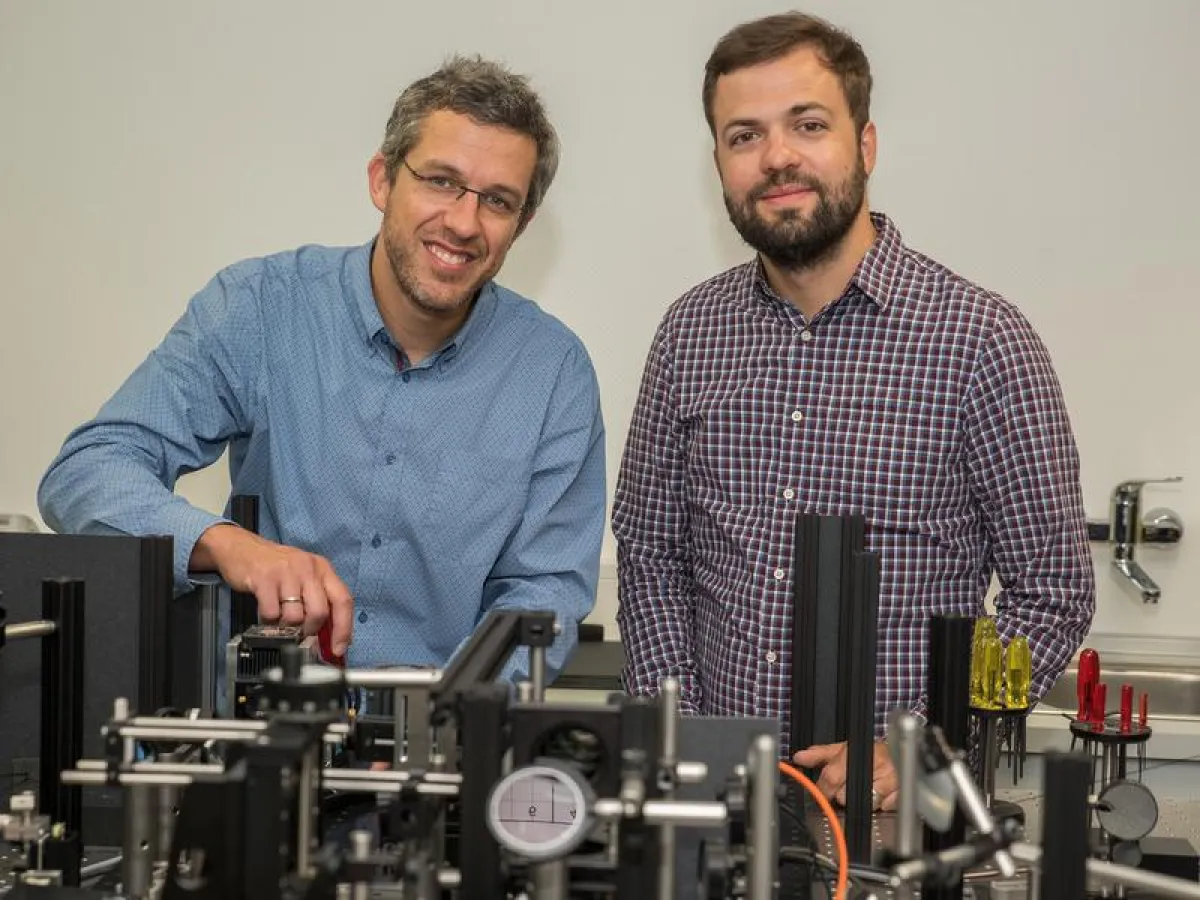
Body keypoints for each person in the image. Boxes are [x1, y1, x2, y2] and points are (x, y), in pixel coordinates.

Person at [612, 12, 1094, 811]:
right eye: (744, 136)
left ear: (865, 145)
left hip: (902, 821)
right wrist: (685, 734)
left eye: (807, 124)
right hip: (720, 811)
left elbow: (1052, 594)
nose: (777, 158)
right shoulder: (689, 333)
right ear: (719, 166)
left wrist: (926, 747)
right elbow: (653, 555)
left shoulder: (983, 342)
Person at [38, 56, 606, 683]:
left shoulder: (554, 373)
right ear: (383, 180)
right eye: (442, 181)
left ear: (521, 225)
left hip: (444, 745)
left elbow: (543, 592)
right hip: (254, 731)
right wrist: (229, 545)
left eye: (497, 201)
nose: (464, 222)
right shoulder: (260, 306)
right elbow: (86, 474)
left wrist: (452, 720)